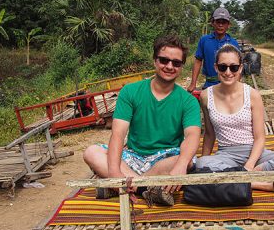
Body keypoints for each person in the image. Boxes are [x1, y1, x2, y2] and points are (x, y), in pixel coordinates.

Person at [83, 35, 201, 205]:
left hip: (165, 158)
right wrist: (115, 170)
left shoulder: (188, 100)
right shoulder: (130, 92)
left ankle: (123, 186)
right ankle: (145, 189)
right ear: (155, 61)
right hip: (133, 156)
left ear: (181, 67)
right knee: (92, 152)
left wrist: (181, 165)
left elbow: (192, 136)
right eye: (164, 60)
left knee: (187, 161)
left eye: (176, 63)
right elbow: (118, 133)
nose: (169, 66)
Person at [195, 44, 274, 193]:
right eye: (223, 67)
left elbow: (260, 137)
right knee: (201, 163)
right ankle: (263, 185)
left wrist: (249, 166)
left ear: (240, 68)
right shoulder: (206, 96)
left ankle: (238, 179)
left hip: (254, 152)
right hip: (226, 155)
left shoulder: (252, 95)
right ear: (216, 68)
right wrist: (202, 167)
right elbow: (210, 134)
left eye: (233, 67)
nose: (228, 72)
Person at [187, 7, 239, 92]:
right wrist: (193, 84)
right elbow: (198, 61)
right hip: (209, 84)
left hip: (228, 85)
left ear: (228, 25)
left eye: (224, 22)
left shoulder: (233, 43)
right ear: (212, 23)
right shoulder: (204, 40)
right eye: (218, 22)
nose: (220, 25)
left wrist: (237, 86)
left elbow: (237, 67)